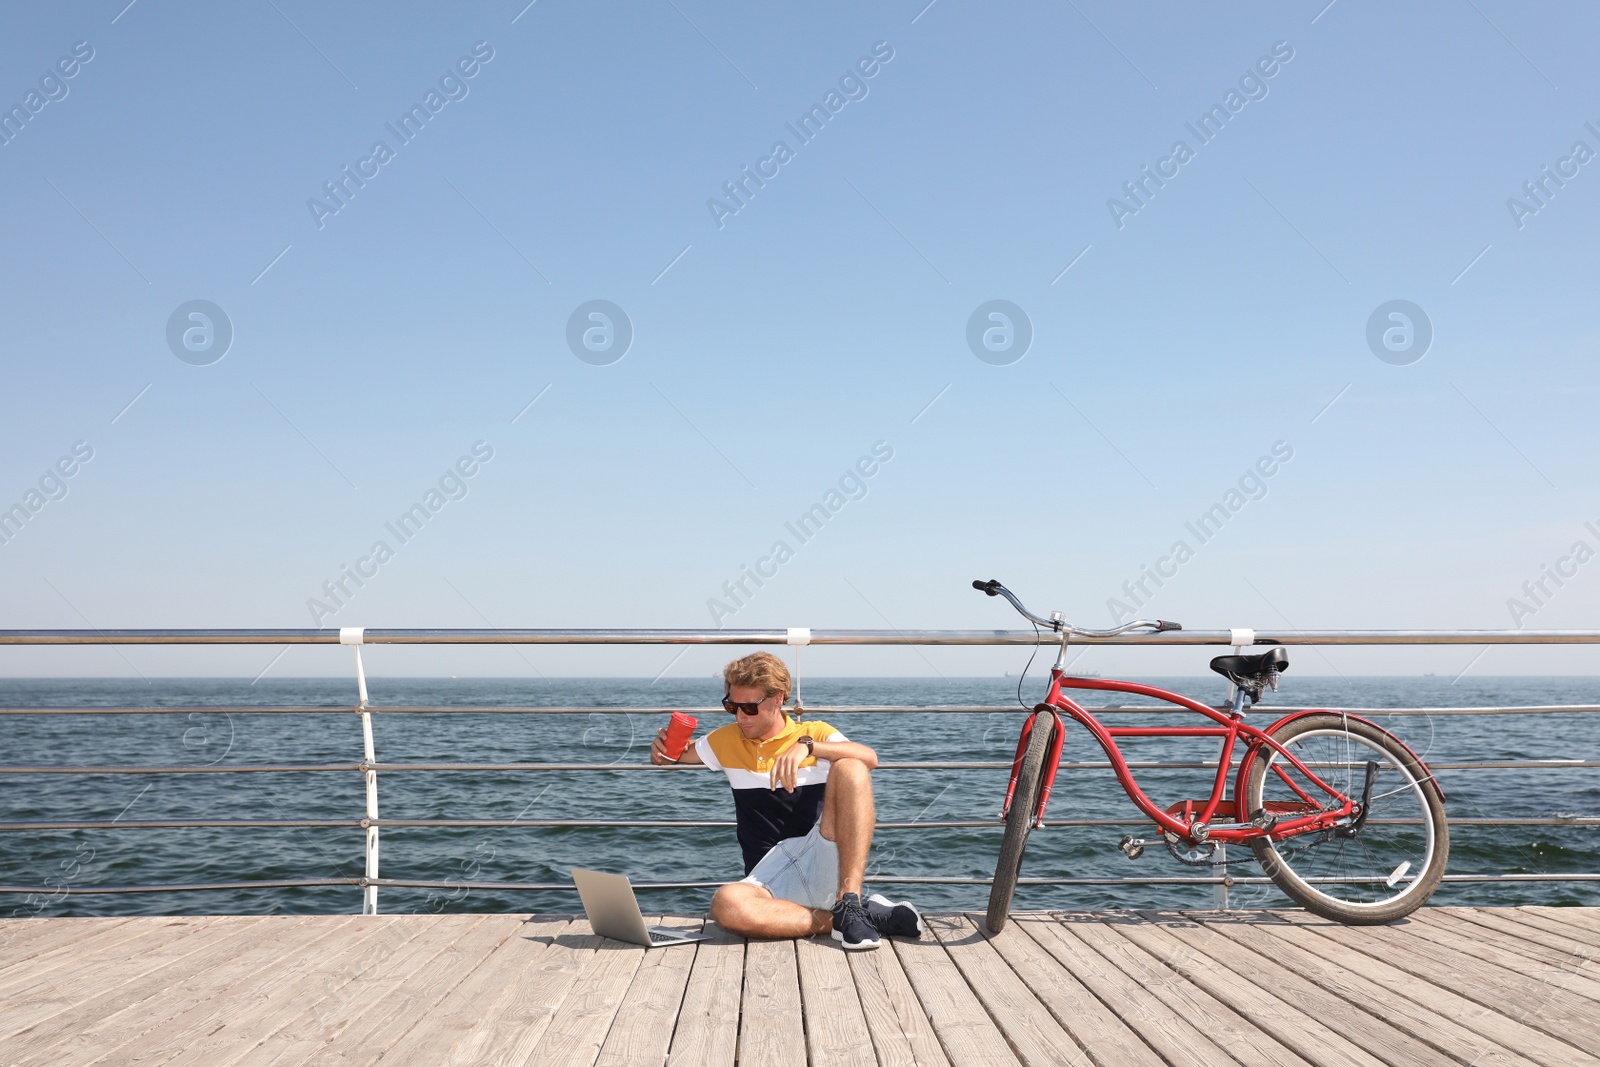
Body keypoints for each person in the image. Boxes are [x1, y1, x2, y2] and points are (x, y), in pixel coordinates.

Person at [650, 651, 922, 950]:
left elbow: (869, 757)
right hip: (769, 878)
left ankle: (851, 901)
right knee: (726, 905)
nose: (740, 716)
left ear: (778, 699)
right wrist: (663, 752)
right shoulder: (725, 739)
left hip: (821, 857)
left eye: (750, 708)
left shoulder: (813, 733)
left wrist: (808, 747)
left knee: (850, 765)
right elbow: (673, 756)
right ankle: (852, 918)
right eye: (732, 706)